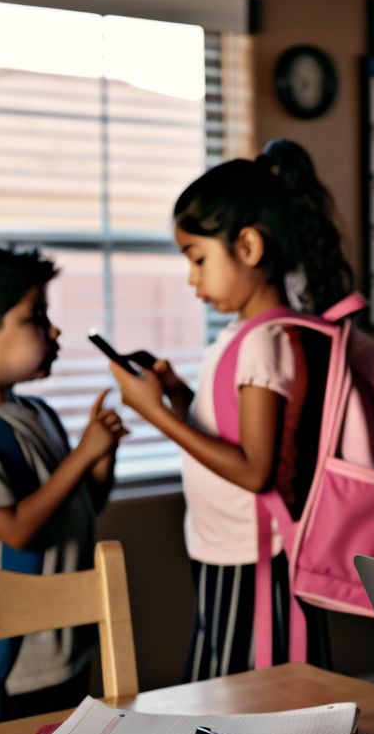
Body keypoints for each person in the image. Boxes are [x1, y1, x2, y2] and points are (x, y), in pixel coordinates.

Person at [109, 140, 355, 680]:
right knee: (221, 689)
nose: (192, 279)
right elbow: (228, 428)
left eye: (197, 259)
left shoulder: (264, 343)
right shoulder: (244, 336)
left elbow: (254, 469)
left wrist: (157, 415)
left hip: (258, 563)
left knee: (255, 704)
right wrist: (175, 392)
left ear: (246, 245)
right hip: (229, 553)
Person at [0, 244, 129, 722]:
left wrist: (101, 456)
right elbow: (15, 529)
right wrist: (82, 454)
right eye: (36, 316)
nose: (54, 330)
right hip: (16, 665)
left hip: (68, 641)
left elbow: (83, 505)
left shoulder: (37, 414)